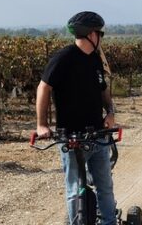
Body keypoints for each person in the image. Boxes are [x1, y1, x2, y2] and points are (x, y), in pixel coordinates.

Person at [36, 11, 118, 225]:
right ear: (91, 34)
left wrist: (110, 113)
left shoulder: (96, 61)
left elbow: (103, 90)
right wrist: (42, 125)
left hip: (98, 135)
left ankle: (108, 222)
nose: (101, 37)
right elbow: (43, 87)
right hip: (71, 138)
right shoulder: (64, 58)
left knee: (105, 187)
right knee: (75, 190)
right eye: (100, 33)